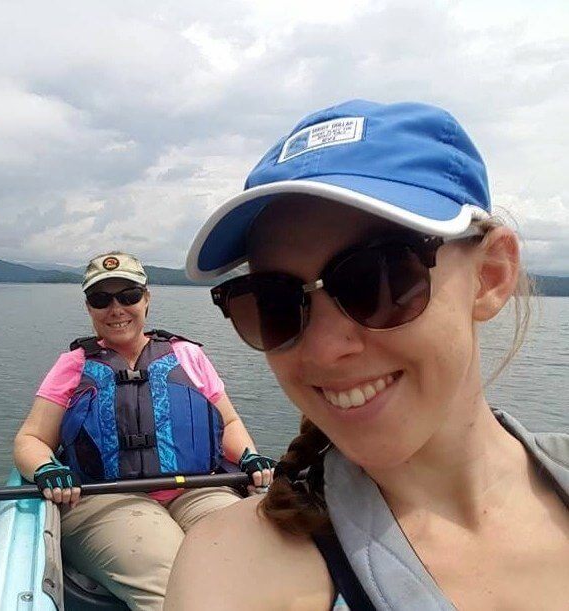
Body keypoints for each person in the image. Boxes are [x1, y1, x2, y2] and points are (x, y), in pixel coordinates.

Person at [166, 100, 568, 610]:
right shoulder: (238, 569)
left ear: (489, 276)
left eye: (378, 280)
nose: (325, 349)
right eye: (276, 301)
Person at [13, 251, 273, 610]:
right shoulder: (73, 365)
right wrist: (46, 468)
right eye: (101, 299)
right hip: (107, 498)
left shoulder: (187, 355)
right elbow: (32, 440)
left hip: (197, 489)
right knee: (171, 585)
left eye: (129, 296)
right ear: (89, 308)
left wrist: (249, 455)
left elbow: (228, 423)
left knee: (253, 559)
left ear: (147, 299)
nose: (116, 309)